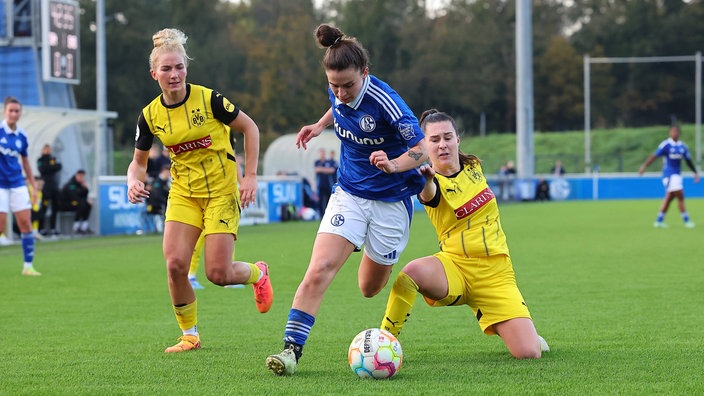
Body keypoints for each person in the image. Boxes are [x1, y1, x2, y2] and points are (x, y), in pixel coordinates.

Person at [265, 23, 428, 376]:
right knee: (319, 269)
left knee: (369, 288)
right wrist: (320, 124)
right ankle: (291, 351)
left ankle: (364, 247)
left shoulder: (387, 102)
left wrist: (393, 164)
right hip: (349, 194)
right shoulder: (337, 89)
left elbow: (421, 149)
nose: (340, 92)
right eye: (333, 85)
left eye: (348, 85)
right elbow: (337, 108)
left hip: (391, 201)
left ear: (365, 74)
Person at [126, 28, 273, 353]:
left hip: (221, 192)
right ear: (155, 74)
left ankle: (256, 273)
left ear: (186, 69)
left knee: (218, 274)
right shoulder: (150, 116)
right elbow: (138, 162)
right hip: (184, 195)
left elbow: (250, 127)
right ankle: (189, 335)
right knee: (175, 265)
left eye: (179, 67)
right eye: (166, 69)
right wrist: (133, 180)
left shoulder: (210, 100)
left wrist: (250, 176)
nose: (174, 74)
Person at [379, 109, 549, 359]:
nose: (442, 144)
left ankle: (515, 328)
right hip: (455, 267)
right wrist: (426, 180)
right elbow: (429, 194)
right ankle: (384, 341)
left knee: (529, 352)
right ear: (424, 146)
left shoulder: (473, 165)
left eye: (447, 137)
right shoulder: (429, 181)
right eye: (434, 140)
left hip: (496, 274)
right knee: (410, 274)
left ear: (458, 139)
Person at [0, 96, 41, 275]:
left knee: (25, 223)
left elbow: (25, 162)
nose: (14, 114)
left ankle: (28, 266)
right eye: (11, 110)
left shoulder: (22, 136)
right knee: (1, 226)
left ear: (20, 113)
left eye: (17, 111)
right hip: (0, 185)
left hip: (17, 183)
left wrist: (32, 186)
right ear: (5, 111)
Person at [638, 125, 699, 228]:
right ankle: (686, 220)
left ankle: (659, 220)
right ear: (670, 133)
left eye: (676, 132)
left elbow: (688, 161)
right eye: (673, 131)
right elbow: (654, 156)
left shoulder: (682, 146)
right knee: (680, 195)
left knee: (670, 197)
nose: (675, 133)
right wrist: (644, 166)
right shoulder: (666, 145)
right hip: (669, 175)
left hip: (677, 175)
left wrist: (695, 172)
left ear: (679, 133)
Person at [36, 143, 63, 235]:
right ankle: (41, 228)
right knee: (43, 208)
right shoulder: (40, 159)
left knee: (55, 208)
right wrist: (52, 167)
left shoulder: (53, 159)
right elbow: (42, 169)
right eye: (46, 149)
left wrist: (50, 167)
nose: (47, 151)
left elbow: (59, 166)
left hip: (54, 187)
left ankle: (53, 228)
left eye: (49, 149)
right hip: (45, 187)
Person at [60, 169, 93, 234]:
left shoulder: (81, 184)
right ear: (76, 175)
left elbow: (83, 195)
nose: (81, 178)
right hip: (66, 204)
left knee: (88, 205)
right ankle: (76, 227)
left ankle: (84, 226)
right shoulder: (71, 184)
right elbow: (74, 197)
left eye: (83, 176)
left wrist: (85, 188)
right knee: (81, 204)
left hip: (77, 203)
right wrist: (84, 200)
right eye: (80, 176)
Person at [145, 165, 170, 234]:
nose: (169, 174)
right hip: (157, 205)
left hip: (163, 204)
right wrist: (164, 201)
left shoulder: (166, 182)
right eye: (167, 173)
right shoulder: (158, 182)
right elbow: (156, 194)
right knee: (157, 218)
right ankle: (155, 230)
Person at [314, 147, 336, 216]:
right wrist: (326, 170)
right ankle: (321, 217)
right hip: (320, 185)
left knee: (328, 202)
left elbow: (332, 170)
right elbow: (317, 170)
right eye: (320, 153)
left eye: (323, 152)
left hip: (328, 185)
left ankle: (328, 216)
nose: (322, 154)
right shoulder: (317, 162)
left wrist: (321, 170)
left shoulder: (329, 162)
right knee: (320, 202)